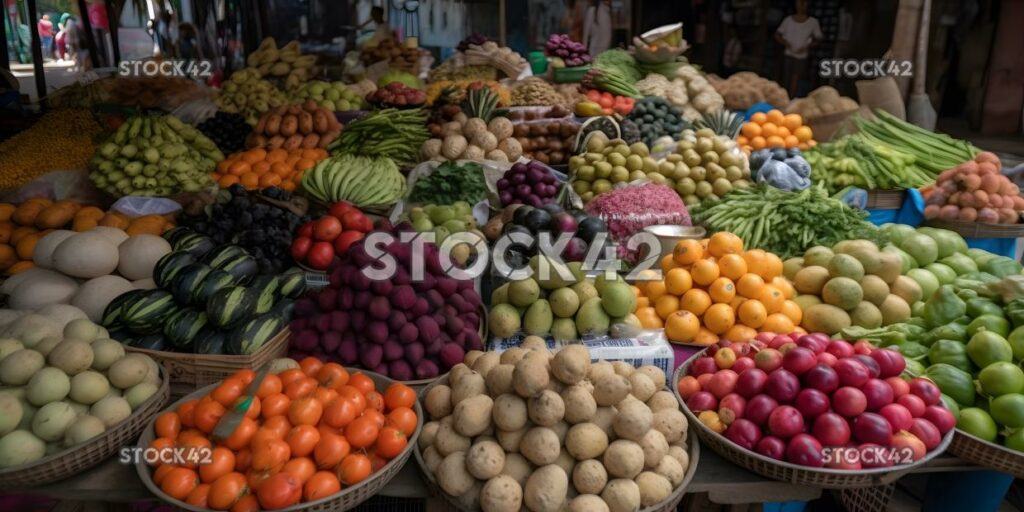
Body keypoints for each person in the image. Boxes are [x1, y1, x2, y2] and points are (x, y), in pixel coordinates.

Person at [775, 0, 822, 97]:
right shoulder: (788, 20)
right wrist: (786, 43)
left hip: (802, 56)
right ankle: (783, 98)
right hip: (788, 53)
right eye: (799, 2)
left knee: (796, 79)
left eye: (804, 3)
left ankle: (791, 99)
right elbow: (777, 35)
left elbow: (818, 38)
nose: (801, 5)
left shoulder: (813, 22)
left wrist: (807, 46)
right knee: (786, 78)